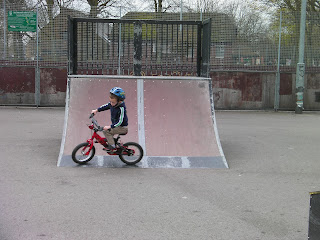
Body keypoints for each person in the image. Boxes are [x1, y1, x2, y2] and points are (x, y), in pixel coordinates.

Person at [91, 87, 128, 151]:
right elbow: (106, 106)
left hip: (122, 127)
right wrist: (96, 110)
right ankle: (110, 140)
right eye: (110, 101)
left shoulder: (121, 109)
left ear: (120, 101)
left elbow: (120, 121)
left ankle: (112, 146)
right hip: (116, 125)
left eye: (113, 102)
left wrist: (110, 126)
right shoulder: (113, 104)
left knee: (106, 131)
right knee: (106, 130)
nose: (111, 104)